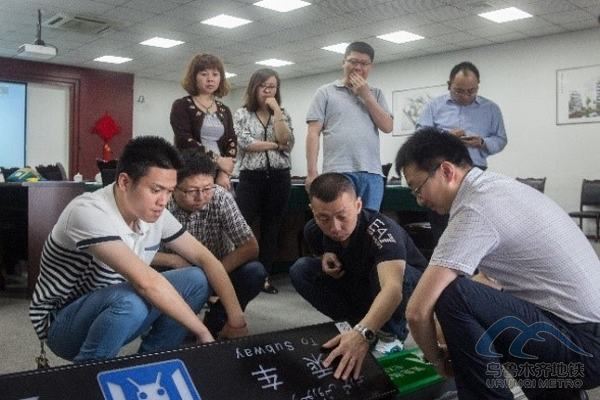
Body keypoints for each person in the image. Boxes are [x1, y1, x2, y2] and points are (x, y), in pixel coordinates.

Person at [396, 128, 600, 399]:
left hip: (583, 351)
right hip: (583, 345)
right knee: (476, 306)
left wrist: (437, 360)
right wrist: (451, 329)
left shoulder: (475, 207)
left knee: (451, 295)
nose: (419, 200)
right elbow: (488, 282)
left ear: (446, 171)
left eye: (418, 188)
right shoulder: (496, 187)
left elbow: (416, 311)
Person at [29, 136, 248, 362]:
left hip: (117, 313)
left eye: (169, 191)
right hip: (63, 325)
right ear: (125, 182)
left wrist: (236, 321)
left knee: (196, 278)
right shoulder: (88, 212)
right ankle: (88, 374)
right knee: (130, 302)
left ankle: (153, 362)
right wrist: (203, 333)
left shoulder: (155, 212)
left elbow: (205, 258)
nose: (164, 201)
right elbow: (146, 283)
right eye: (156, 190)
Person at [289, 173, 427, 381]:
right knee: (301, 270)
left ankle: (390, 336)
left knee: (391, 273)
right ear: (313, 211)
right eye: (324, 218)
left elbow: (393, 289)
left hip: (403, 290)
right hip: (361, 283)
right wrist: (326, 254)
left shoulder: (381, 231)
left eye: (342, 216)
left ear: (358, 205)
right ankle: (356, 324)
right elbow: (324, 244)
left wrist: (363, 334)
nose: (335, 227)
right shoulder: (314, 230)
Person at [153, 151, 267, 336]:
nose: (201, 197)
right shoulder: (160, 204)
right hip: (176, 272)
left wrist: (212, 273)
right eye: (191, 191)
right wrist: (172, 260)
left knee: (254, 272)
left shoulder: (220, 197)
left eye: (207, 188)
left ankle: (217, 319)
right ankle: (170, 324)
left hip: (222, 266)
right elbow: (137, 252)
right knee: (175, 336)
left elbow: (250, 246)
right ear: (173, 187)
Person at [417, 61, 507, 243]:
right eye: (459, 91)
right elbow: (420, 137)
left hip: (474, 171)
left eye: (471, 91)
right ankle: (443, 258)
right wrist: (445, 137)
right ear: (449, 85)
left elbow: (501, 139)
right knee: (442, 225)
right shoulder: (433, 106)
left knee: (474, 222)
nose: (466, 96)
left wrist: (483, 142)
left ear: (478, 86)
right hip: (441, 173)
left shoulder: (491, 109)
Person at [305, 41, 393, 211]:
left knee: (370, 222)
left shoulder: (376, 94)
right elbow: (313, 133)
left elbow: (387, 126)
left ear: (370, 67)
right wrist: (311, 172)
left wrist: (366, 95)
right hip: (337, 171)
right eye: (353, 62)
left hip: (372, 173)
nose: (358, 67)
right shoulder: (325, 92)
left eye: (364, 63)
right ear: (343, 62)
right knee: (340, 219)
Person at [233, 68, 294, 294]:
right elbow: (245, 143)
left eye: (272, 87)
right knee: (243, 225)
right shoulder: (242, 113)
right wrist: (276, 145)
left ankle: (264, 276)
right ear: (254, 88)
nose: (268, 91)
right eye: (263, 86)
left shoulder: (283, 113)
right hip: (251, 177)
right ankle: (239, 273)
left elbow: (288, 141)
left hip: (279, 177)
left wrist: (277, 111)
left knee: (272, 228)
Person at [170, 53, 237, 190]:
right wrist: (218, 160)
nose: (210, 79)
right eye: (204, 74)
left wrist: (224, 173)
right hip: (190, 172)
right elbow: (184, 140)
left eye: (215, 74)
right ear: (194, 77)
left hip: (219, 175)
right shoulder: (181, 105)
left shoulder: (225, 110)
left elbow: (232, 141)